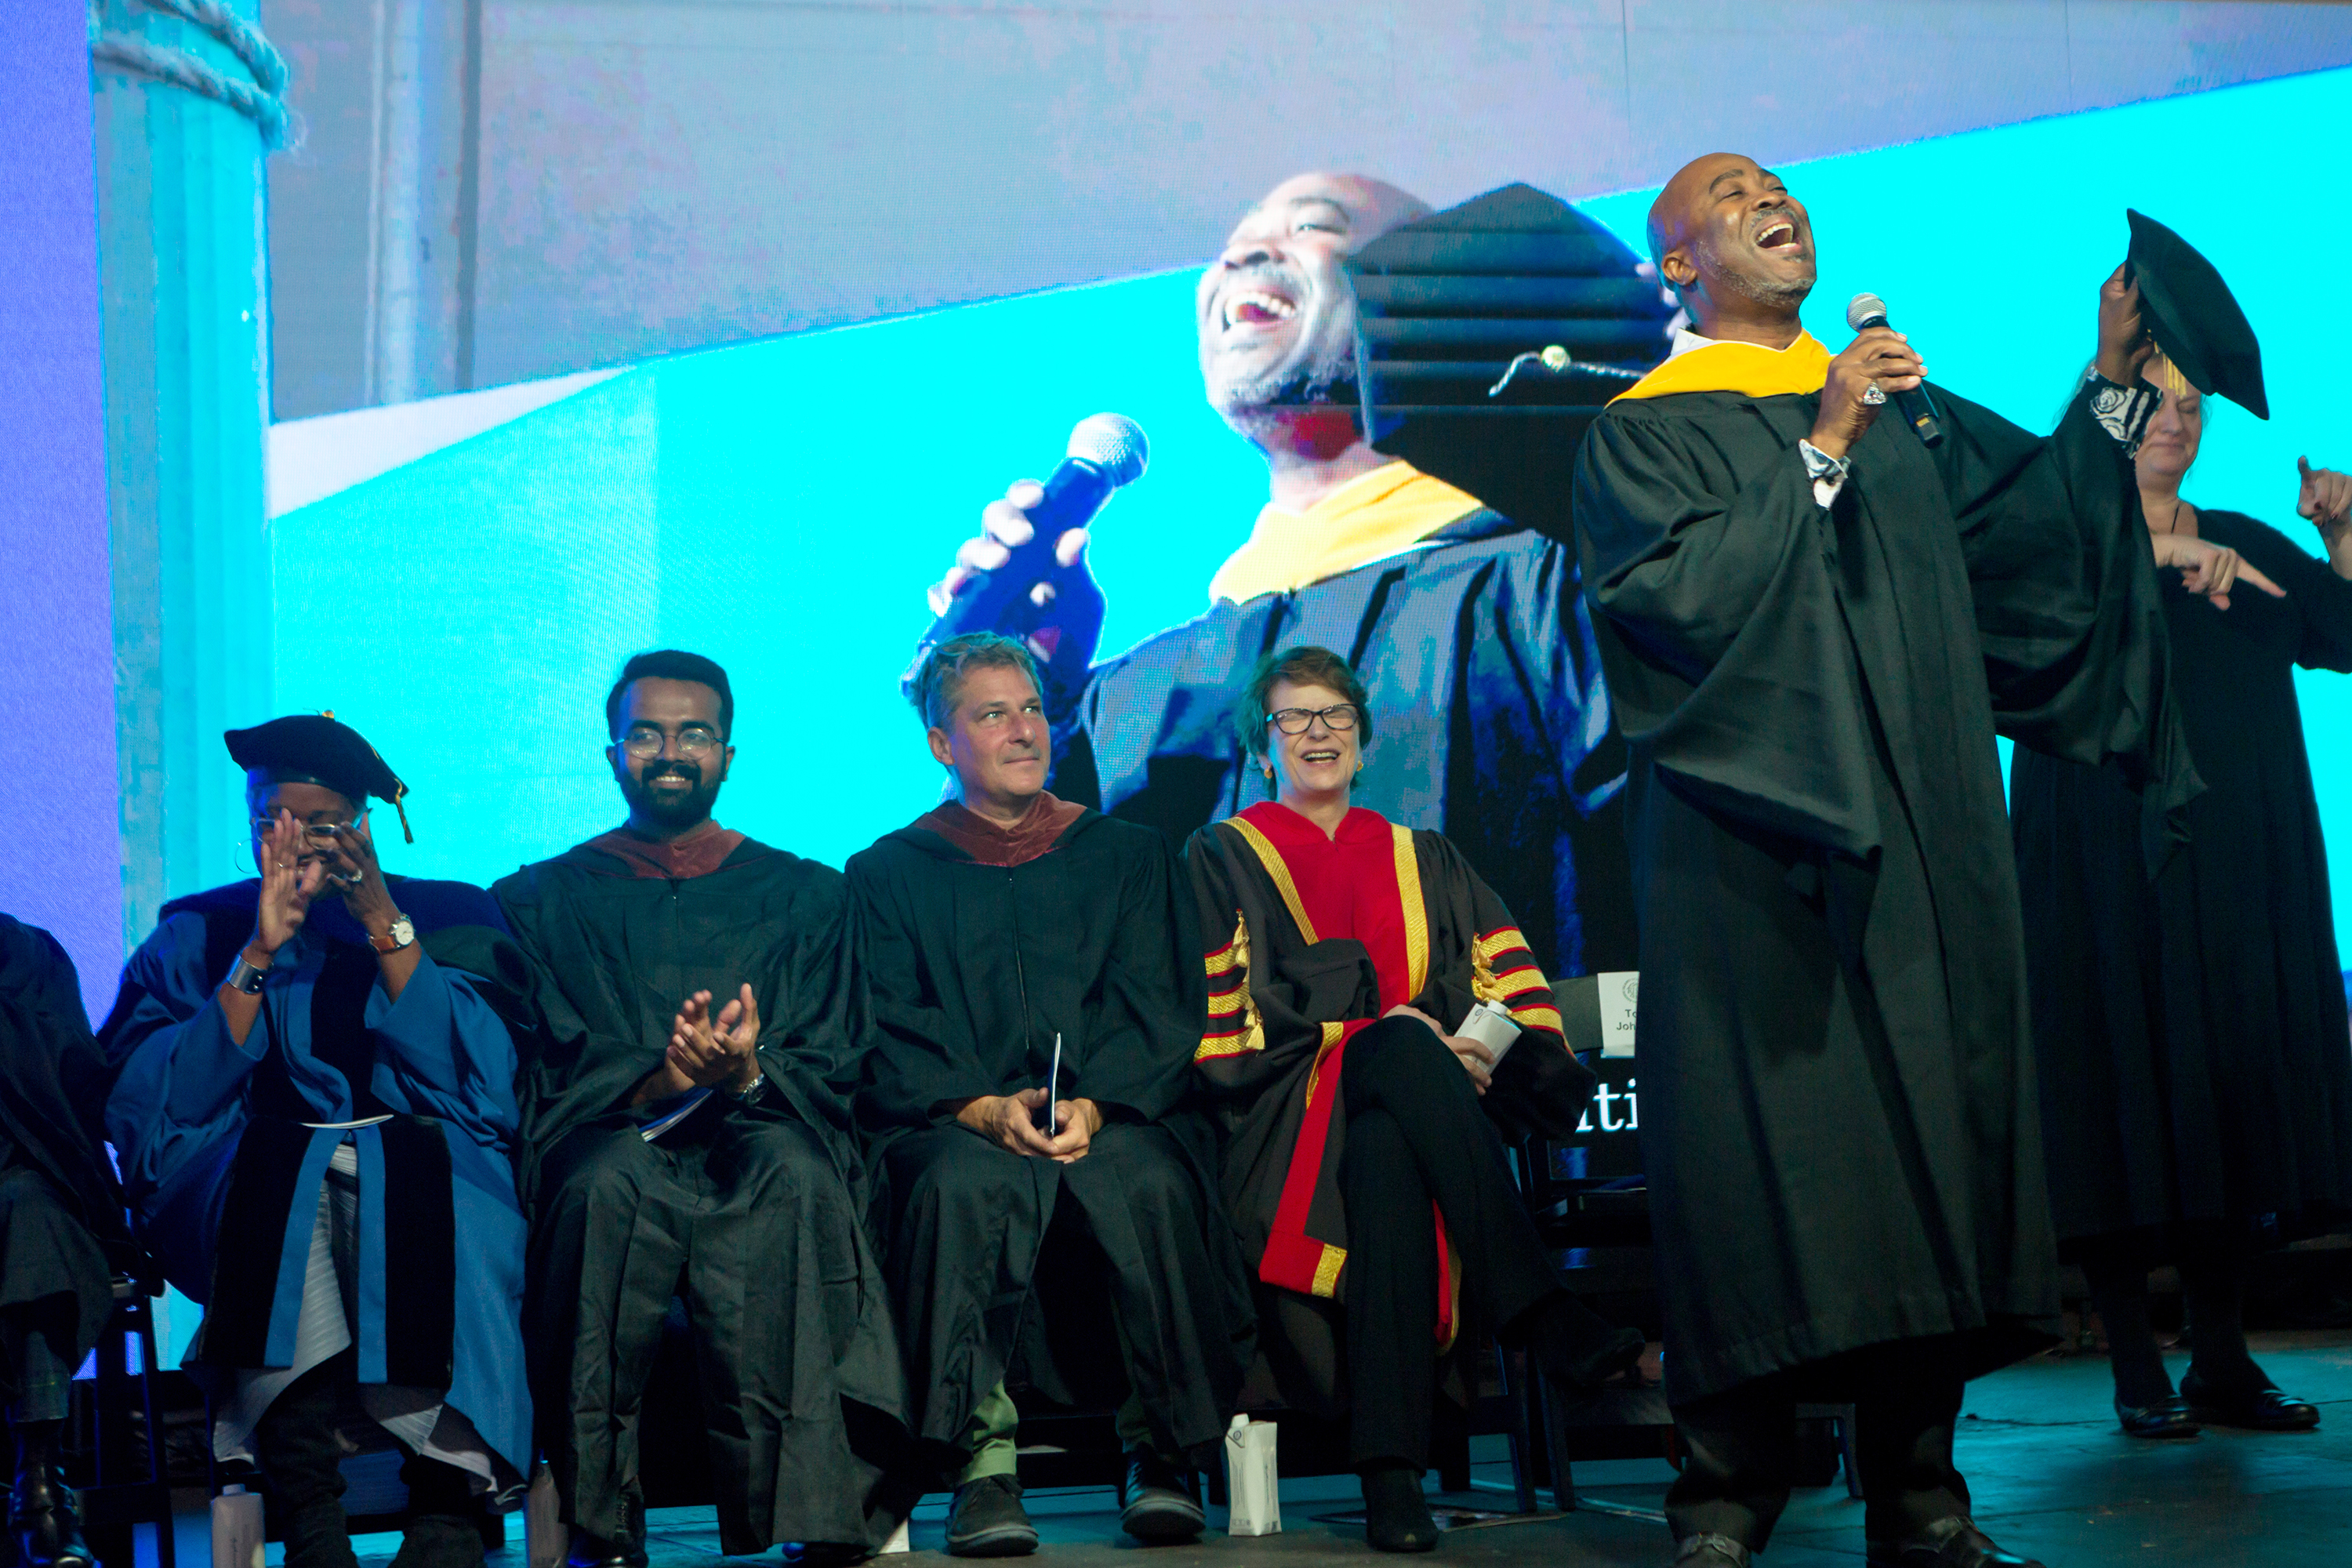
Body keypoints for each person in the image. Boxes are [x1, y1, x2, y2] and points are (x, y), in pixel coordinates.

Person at [1569, 153, 2219, 1568]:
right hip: (1756, 862)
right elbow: (1673, 605)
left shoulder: (1887, 393)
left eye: (1781, 185)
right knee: (1764, 1162)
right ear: (1677, 264)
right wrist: (1824, 443)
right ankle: (1727, 1486)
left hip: (1921, 849)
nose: (1773, 199)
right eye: (1733, 195)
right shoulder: (1643, 431)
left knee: (1926, 1136)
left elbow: (2037, 541)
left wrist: (2107, 383)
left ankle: (1919, 1481)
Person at [927, 171, 1637, 982]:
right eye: (1232, 241)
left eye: (1313, 226)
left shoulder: (1557, 585)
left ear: (1436, 300)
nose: (1243, 254)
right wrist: (1030, 706)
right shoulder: (1134, 698)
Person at [1182, 645, 1642, 1554]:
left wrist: (1475, 1050)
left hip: (1420, 1121)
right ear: (1264, 746)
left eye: (1337, 716)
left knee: (1393, 1143)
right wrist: (1381, 1029)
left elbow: (1510, 988)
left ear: (1361, 741)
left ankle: (1393, 1479)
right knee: (1392, 1041)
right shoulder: (1223, 854)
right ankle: (1540, 1307)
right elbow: (1226, 1029)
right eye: (1295, 717)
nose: (1319, 732)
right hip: (1285, 1118)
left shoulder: (1424, 855)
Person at [2014, 285, 2352, 1439]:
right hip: (2108, 850)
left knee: (2220, 1095)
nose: (2178, 419)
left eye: (2193, 406)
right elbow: (2035, 599)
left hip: (2241, 855)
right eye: (2155, 401)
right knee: (2120, 1079)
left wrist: (2338, 534)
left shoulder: (2244, 539)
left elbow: (2348, 636)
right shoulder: (2063, 544)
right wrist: (2164, 551)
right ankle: (2130, 1365)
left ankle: (2219, 1354)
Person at [492, 650, 906, 1566]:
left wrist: (746, 1071)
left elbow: (836, 1053)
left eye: (693, 733)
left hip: (760, 1132)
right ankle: (604, 1517)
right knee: (599, 1185)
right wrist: (660, 1081)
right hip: (617, 1139)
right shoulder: (539, 900)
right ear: (613, 754)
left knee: (797, 1174)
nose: (669, 751)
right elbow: (536, 1062)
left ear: (726, 753)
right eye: (647, 732)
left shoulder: (805, 894)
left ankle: (817, 1510)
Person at [848, 632, 1251, 1558]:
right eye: (993, 713)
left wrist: (1098, 1103)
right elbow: (891, 1024)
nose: (1024, 729)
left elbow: (1157, 1001)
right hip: (960, 1122)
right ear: (943, 744)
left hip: (1108, 1111)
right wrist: (981, 1108)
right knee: (955, 1186)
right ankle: (982, 1467)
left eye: (1031, 707)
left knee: (1145, 1178)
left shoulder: (1124, 854)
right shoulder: (888, 873)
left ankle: (1158, 1456)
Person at [103, 716, 532, 1568]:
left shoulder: (448, 915)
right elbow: (163, 1106)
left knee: (422, 1185)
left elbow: (480, 1087)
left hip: (430, 1168)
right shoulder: (201, 934)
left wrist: (381, 920)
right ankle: (310, 1520)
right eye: (272, 819)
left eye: (321, 821)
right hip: (246, 1176)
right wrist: (260, 950)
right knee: (281, 1176)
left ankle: (445, 1512)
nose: (293, 842)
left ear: (362, 826)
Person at [1, 916, 129, 1568]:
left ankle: (40, 1481)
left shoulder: (27, 958)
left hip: (26, 1179)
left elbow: (79, 1080)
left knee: (35, 1217)